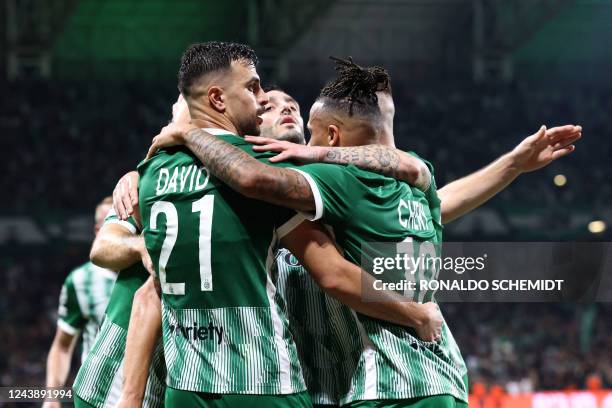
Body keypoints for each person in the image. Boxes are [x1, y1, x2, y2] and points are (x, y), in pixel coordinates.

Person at [148, 58, 581, 407]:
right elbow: (433, 194)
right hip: (371, 382)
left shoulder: (331, 183)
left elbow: (332, 252)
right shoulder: (251, 198)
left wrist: (185, 133)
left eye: (293, 107)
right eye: (266, 102)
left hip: (373, 385)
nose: (282, 107)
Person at [137, 41, 443, 408]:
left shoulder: (150, 172)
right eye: (253, 89)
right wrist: (415, 313)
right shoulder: (271, 176)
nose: (261, 98)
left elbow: (145, 288)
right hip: (260, 379)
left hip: (186, 382)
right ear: (218, 99)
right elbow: (333, 273)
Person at [43, 197, 116, 408]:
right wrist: (52, 396)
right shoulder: (80, 281)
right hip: (95, 398)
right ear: (97, 231)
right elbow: (62, 346)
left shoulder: (151, 274)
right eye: (109, 222)